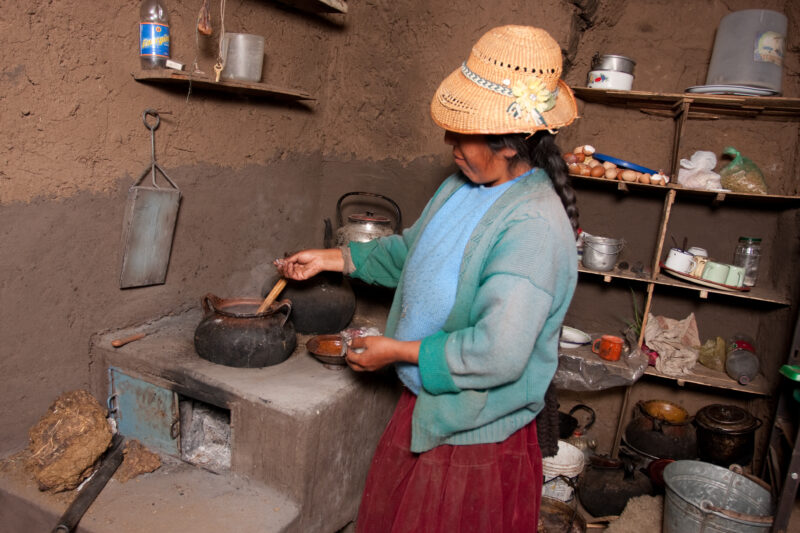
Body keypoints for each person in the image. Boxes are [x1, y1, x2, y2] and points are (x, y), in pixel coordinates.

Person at [276, 25, 579, 533]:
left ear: (511, 144)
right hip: (428, 407)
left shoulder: (533, 226)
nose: (450, 143)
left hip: (473, 430)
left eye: (464, 133)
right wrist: (331, 258)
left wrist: (394, 350)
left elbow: (497, 352)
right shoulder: (460, 187)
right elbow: (411, 255)